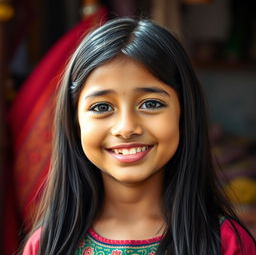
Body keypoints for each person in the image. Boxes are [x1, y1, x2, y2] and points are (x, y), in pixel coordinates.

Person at [22, 18, 256, 255]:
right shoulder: (45, 246)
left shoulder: (226, 244)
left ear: (184, 115)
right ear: (75, 123)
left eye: (151, 104)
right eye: (102, 107)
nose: (126, 127)